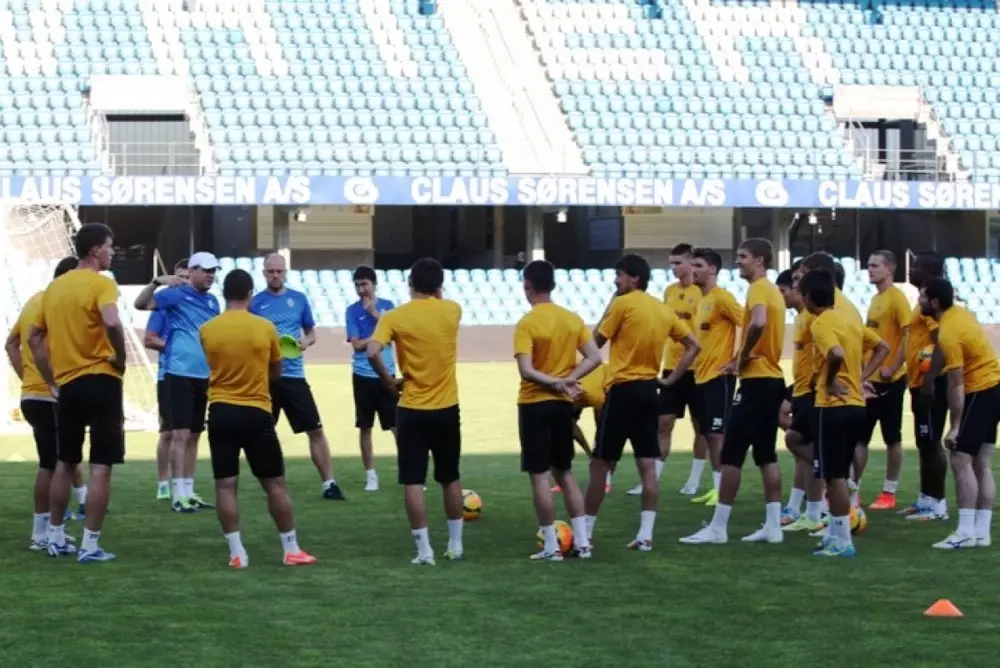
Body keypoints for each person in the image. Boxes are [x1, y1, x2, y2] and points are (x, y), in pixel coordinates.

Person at [583, 253, 701, 551]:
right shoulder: (663, 309)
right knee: (647, 465)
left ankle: (585, 534)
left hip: (622, 390)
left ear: (634, 278)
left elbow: (594, 344)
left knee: (600, 463)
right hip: (649, 390)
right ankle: (645, 535)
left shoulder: (622, 304)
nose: (615, 280)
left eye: (619, 275)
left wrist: (610, 305)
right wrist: (671, 380)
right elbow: (693, 345)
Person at [200, 269, 317, 568]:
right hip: (256, 410)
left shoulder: (208, 329)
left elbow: (212, 364)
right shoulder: (265, 328)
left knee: (225, 485)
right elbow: (276, 372)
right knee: (275, 484)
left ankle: (237, 553)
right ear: (250, 295)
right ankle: (290, 549)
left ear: (224, 294)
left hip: (220, 410)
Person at [27, 223, 126, 562]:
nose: (113, 252)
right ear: (96, 250)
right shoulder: (102, 283)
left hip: (68, 385)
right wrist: (121, 358)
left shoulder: (54, 288)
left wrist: (51, 378)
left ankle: (55, 536)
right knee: (101, 466)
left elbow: (33, 337)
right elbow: (111, 321)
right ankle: (90, 544)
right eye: (110, 246)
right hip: (101, 379)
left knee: (65, 462)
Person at [680, 238, 787, 546]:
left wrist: (741, 357)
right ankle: (773, 526)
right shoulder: (772, 291)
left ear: (759, 260)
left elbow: (758, 323)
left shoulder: (757, 289)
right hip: (772, 379)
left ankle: (718, 528)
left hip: (756, 382)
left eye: (743, 256)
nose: (738, 261)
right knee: (766, 455)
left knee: (731, 454)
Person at [365, 258, 465, 565]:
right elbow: (442, 303)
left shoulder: (395, 317)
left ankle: (424, 551)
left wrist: (388, 381)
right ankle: (455, 545)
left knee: (412, 480)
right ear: (439, 286)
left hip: (411, 408)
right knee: (450, 477)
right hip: (446, 407)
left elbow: (371, 350)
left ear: (410, 284)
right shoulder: (452, 310)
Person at [513, 259, 601, 560]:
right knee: (565, 472)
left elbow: (526, 370)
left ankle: (551, 547)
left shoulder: (527, 323)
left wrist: (555, 382)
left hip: (534, 403)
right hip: (563, 405)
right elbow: (594, 357)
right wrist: (569, 380)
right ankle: (583, 543)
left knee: (540, 476)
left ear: (528, 286)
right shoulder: (571, 319)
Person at [799, 270, 888, 557]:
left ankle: (842, 541)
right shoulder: (849, 319)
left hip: (832, 407)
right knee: (837, 475)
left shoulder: (821, 323)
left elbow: (835, 354)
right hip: (856, 406)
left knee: (834, 477)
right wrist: (861, 378)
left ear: (808, 297)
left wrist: (828, 381)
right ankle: (835, 535)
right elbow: (883, 347)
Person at [6, 256, 87, 549]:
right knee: (53, 465)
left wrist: (27, 378)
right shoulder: (55, 303)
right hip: (49, 395)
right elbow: (34, 342)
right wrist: (50, 382)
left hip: (34, 394)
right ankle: (43, 534)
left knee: (57, 462)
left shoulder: (33, 301)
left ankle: (48, 530)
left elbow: (11, 343)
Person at [251, 253, 344, 500]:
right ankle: (272, 485)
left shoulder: (299, 299)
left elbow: (311, 332)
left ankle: (329, 483)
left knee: (315, 429)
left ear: (285, 272)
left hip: (294, 376)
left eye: (279, 271)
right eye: (271, 272)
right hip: (266, 378)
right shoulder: (255, 303)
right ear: (264, 273)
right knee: (263, 434)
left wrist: (305, 342)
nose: (275, 276)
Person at [134, 251, 221, 513]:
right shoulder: (175, 295)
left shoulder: (213, 303)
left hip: (203, 375)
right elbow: (140, 304)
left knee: (194, 435)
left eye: (213, 271)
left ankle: (189, 491)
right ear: (192, 271)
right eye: (205, 270)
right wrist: (155, 282)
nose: (210, 275)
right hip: (178, 373)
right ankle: (176, 494)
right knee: (179, 434)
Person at [920, 278, 1000, 549]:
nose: (919, 300)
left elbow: (956, 384)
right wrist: (932, 375)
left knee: (960, 459)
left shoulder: (949, 331)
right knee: (982, 462)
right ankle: (981, 532)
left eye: (922, 297)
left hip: (980, 391)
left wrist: (955, 426)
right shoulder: (960, 315)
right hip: (994, 387)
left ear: (934, 302)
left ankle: (965, 531)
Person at [627, 243, 705, 497]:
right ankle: (652, 480)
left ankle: (694, 479)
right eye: (671, 263)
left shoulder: (702, 292)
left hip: (697, 368)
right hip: (671, 366)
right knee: (663, 422)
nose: (673, 268)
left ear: (691, 263)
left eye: (678, 263)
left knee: (700, 425)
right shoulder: (669, 291)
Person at [686, 248, 743, 509]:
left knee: (718, 435)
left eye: (698, 265)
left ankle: (723, 490)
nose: (693, 270)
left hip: (719, 377)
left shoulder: (722, 298)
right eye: (692, 265)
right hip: (702, 376)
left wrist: (737, 359)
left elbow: (748, 323)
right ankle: (716, 485)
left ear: (712, 269)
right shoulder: (702, 300)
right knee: (709, 434)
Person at [899, 251, 950, 521]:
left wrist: (930, 379)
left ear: (930, 271)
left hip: (930, 383)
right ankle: (925, 499)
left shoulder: (931, 305)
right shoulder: (921, 301)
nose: (911, 269)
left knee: (931, 441)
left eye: (917, 266)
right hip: (918, 381)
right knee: (923, 441)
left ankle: (938, 505)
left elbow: (941, 340)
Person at [859, 250, 911, 511]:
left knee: (892, 437)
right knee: (860, 437)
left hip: (890, 380)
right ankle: (853, 490)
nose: (869, 269)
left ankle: (889, 492)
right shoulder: (875, 299)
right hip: (870, 379)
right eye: (869, 265)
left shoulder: (897, 298)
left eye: (875, 265)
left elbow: (908, 335)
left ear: (889, 269)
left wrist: (894, 366)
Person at [345, 264, 398, 493]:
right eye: (357, 285)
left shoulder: (388, 307)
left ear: (374, 284)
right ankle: (371, 475)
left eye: (365, 284)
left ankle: (407, 472)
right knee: (365, 427)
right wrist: (378, 337)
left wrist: (374, 315)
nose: (361, 289)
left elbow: (396, 335)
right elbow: (356, 345)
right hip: (362, 375)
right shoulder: (351, 311)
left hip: (387, 374)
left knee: (397, 425)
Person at [143, 258, 190, 501]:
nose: (183, 281)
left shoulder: (198, 306)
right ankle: (163, 482)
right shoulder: (163, 308)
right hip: (168, 376)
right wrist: (176, 347)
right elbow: (149, 339)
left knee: (188, 433)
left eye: (187, 277)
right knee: (168, 432)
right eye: (180, 277)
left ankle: (184, 485)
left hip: (192, 375)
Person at [775, 264, 815, 527]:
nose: (781, 297)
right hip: (800, 386)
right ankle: (797, 506)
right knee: (797, 442)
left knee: (798, 442)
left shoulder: (813, 316)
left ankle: (833, 478)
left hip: (812, 388)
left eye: (783, 291)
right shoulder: (801, 316)